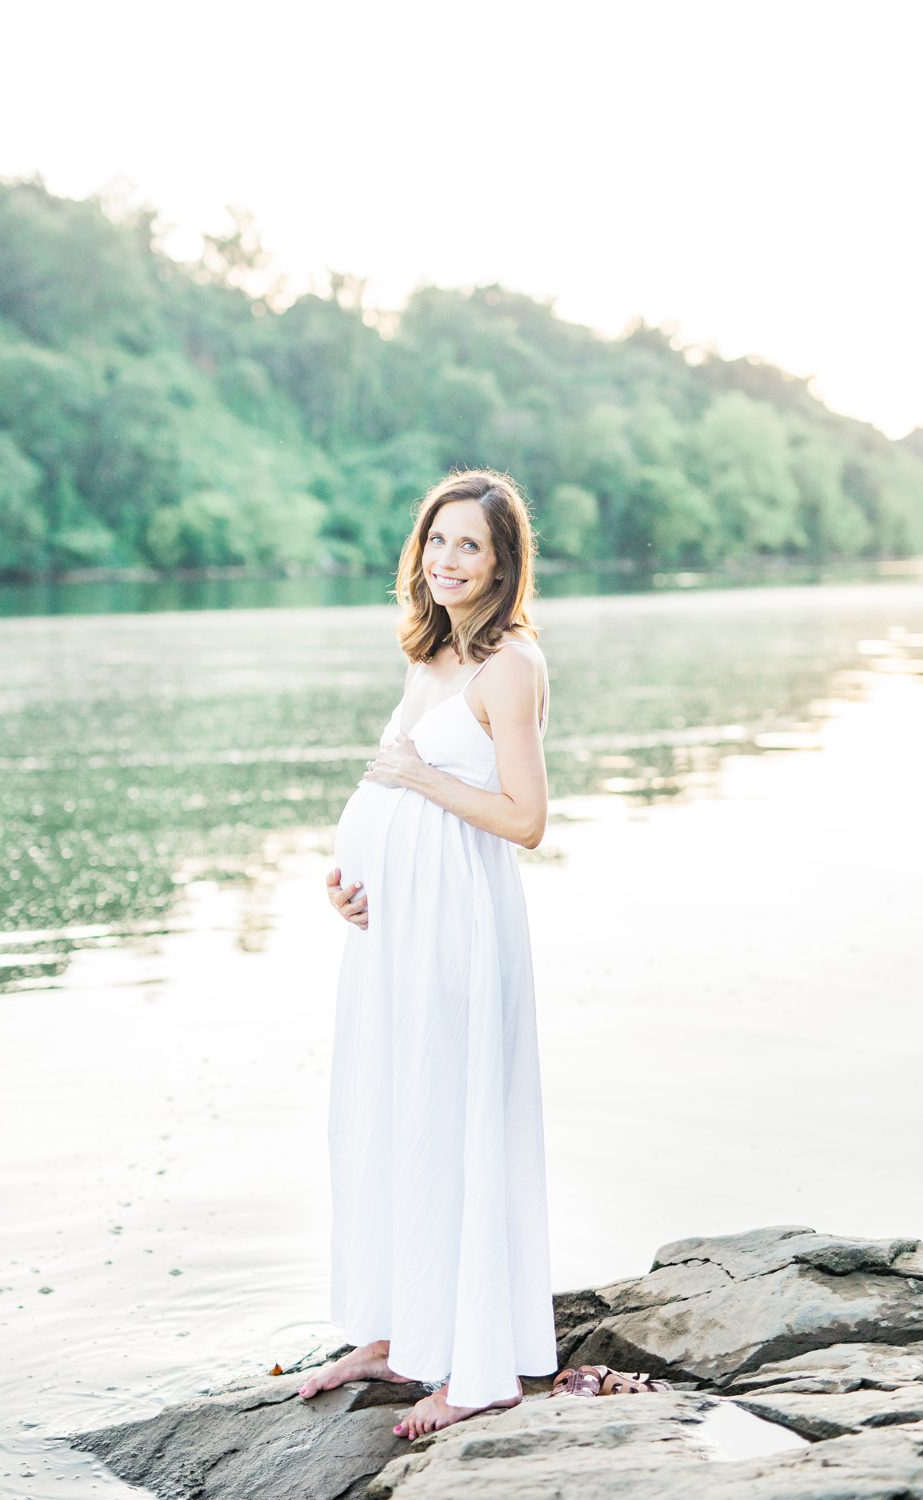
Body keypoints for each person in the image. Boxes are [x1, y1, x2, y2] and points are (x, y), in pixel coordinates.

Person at [296, 469, 558, 1441]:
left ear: (502, 563)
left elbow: (525, 820)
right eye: (436, 541)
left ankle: (479, 1370)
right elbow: (396, 803)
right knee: (388, 1113)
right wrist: (349, 880)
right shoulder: (432, 656)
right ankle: (398, 1330)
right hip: (394, 936)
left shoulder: (510, 667)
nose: (446, 561)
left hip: (459, 934)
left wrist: (412, 777)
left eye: (469, 547)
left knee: (452, 1118)